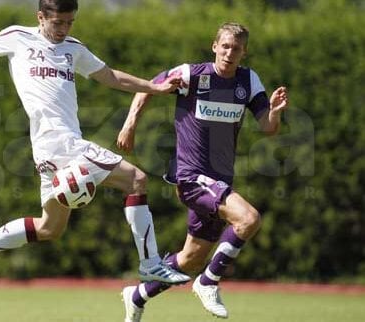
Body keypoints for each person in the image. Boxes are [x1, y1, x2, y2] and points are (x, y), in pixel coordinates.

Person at [0, 0, 191, 290]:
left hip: (47, 149)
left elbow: (110, 76)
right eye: (58, 23)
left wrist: (154, 87)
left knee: (49, 228)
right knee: (137, 180)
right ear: (40, 17)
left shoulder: (73, 48)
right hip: (62, 143)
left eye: (70, 22)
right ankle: (151, 264)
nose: (64, 29)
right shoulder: (17, 36)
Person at [117, 22, 289, 321]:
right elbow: (150, 87)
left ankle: (137, 295)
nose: (229, 53)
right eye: (225, 46)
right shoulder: (191, 75)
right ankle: (209, 282)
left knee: (190, 259)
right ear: (215, 46)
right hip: (191, 176)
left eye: (236, 48)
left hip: (219, 180)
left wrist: (273, 111)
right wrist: (130, 124)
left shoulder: (248, 81)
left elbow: (267, 128)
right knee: (248, 219)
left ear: (243, 52)